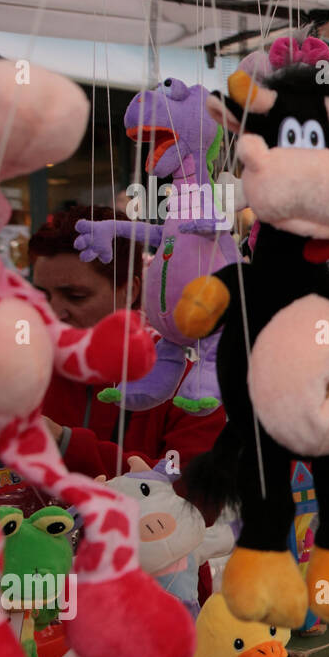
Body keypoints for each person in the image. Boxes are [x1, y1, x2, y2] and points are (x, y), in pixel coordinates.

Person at [28, 205, 225, 483]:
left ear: (129, 290)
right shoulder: (21, 373)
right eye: (40, 294)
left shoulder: (191, 391)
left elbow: (189, 491)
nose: (52, 312)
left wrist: (66, 444)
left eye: (75, 296)